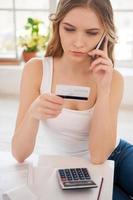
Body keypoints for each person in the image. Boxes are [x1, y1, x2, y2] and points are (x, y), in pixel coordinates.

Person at [12, 0, 133, 199]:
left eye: (91, 33)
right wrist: (33, 114)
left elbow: (99, 153)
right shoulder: (36, 70)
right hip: (74, 170)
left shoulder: (114, 78)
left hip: (118, 154)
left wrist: (103, 91)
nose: (78, 42)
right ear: (57, 25)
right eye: (69, 29)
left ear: (105, 33)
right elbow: (19, 154)